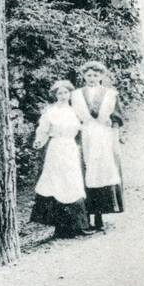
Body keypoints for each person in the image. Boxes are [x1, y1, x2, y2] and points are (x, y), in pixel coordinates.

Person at [30, 81, 90, 238]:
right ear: (55, 95)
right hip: (56, 148)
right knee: (57, 182)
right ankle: (60, 227)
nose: (63, 96)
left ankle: (77, 225)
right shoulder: (51, 111)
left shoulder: (75, 111)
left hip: (70, 148)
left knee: (73, 182)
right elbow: (43, 130)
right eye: (59, 93)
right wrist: (39, 141)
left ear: (70, 94)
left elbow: (84, 127)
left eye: (65, 93)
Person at [69, 61, 126, 230]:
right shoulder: (76, 95)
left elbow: (117, 117)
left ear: (101, 76)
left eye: (95, 75)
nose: (92, 78)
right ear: (84, 76)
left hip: (103, 137)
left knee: (102, 171)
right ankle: (86, 215)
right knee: (84, 171)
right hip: (84, 135)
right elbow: (71, 116)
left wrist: (112, 126)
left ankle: (100, 215)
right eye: (88, 75)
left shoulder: (110, 94)